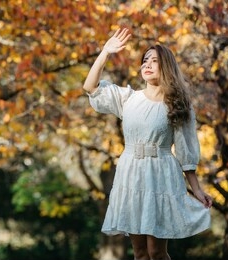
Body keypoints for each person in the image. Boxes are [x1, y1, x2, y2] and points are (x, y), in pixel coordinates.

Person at [82, 28, 212, 260]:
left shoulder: (178, 104)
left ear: (167, 67)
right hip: (131, 174)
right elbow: (90, 87)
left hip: (161, 175)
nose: (147, 64)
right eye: (145, 60)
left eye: (154, 60)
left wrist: (197, 189)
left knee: (157, 252)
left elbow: (186, 152)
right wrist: (105, 52)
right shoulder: (128, 98)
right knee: (140, 253)